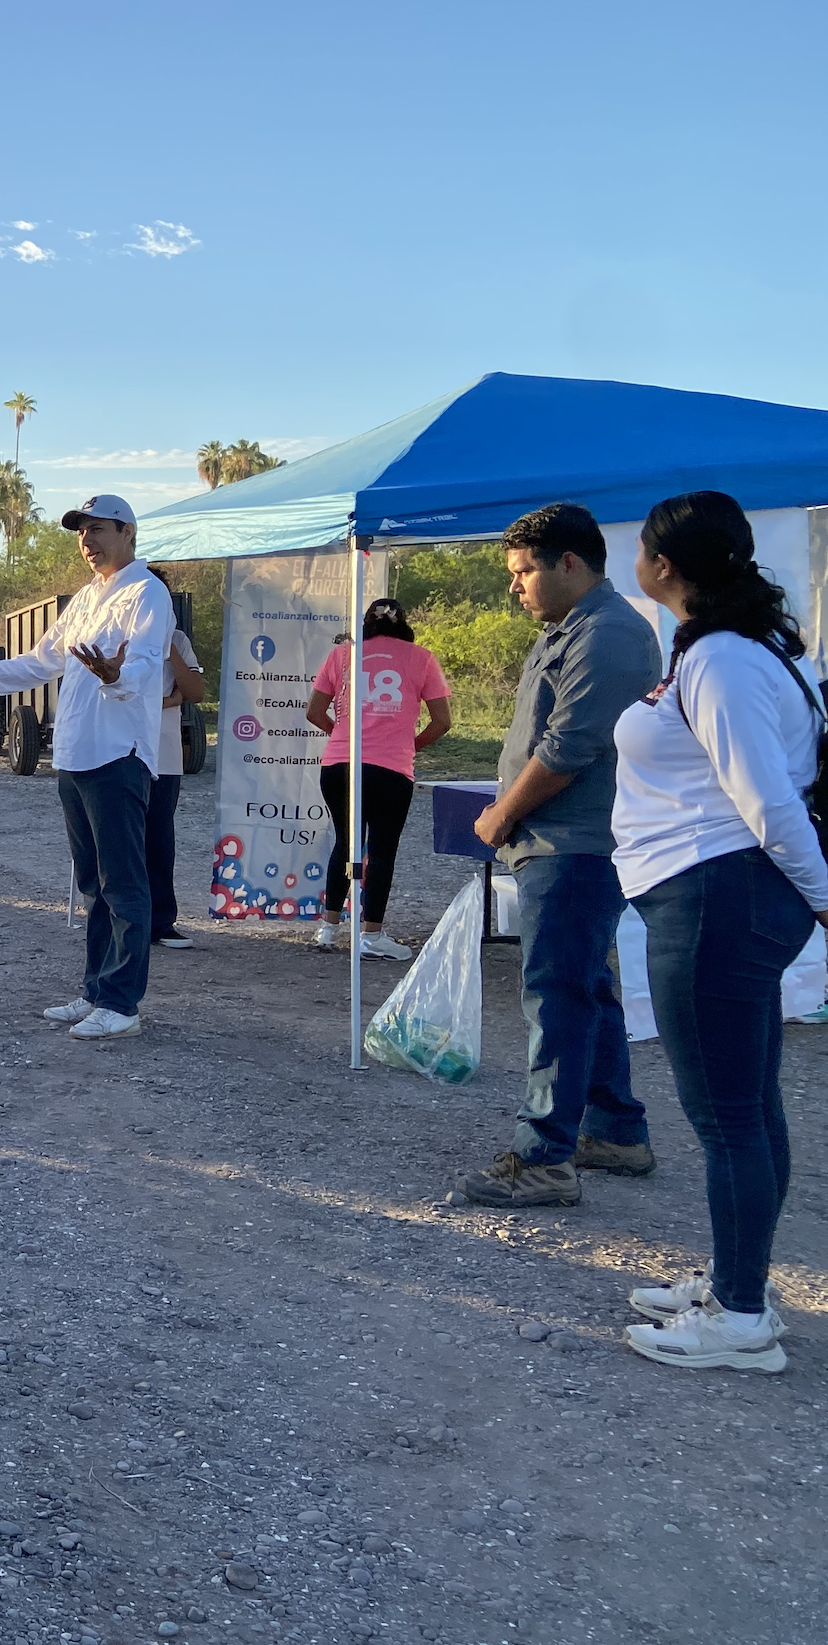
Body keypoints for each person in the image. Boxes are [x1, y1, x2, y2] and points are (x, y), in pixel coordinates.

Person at [607, 492, 827, 1372]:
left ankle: (739, 1319)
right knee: (751, 1104)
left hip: (717, 898)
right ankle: (744, 1281)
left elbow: (769, 802)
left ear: (664, 565)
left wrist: (824, 896)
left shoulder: (725, 661)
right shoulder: (724, 649)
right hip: (714, 894)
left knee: (728, 1116)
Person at [0, 494, 173, 1040]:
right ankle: (96, 991)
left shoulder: (147, 593)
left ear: (127, 532)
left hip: (117, 755)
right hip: (75, 755)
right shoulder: (87, 599)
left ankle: (122, 1005)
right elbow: (40, 661)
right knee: (93, 883)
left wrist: (117, 677)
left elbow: (140, 665)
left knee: (123, 884)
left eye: (97, 530)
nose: (87, 542)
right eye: (80, 532)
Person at [462, 503, 663, 1207]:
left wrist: (500, 816)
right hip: (558, 843)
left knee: (557, 994)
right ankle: (614, 1132)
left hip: (576, 844)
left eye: (524, 572)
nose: (515, 586)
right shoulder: (570, 629)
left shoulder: (608, 634)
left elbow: (569, 748)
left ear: (570, 563)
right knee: (585, 987)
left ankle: (544, 1155)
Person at [304, 596, 454, 959]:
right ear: (403, 625)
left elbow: (314, 711)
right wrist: (409, 745)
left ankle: (328, 927)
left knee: (346, 842)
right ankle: (371, 934)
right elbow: (443, 721)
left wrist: (342, 737)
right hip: (391, 767)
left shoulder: (342, 655)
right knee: (383, 848)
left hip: (339, 764)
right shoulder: (421, 658)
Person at [145, 571, 205, 951]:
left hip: (163, 752)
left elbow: (195, 691)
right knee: (119, 839)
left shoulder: (178, 641)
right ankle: (121, 921)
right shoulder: (111, 635)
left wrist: (169, 648)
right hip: (116, 749)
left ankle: (161, 921)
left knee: (159, 838)